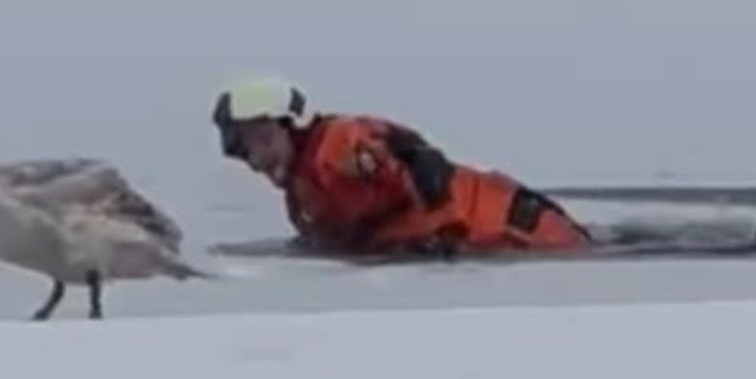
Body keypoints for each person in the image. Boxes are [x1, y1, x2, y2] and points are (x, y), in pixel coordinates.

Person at [211, 77, 591, 257]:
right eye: (245, 152)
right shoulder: (304, 191)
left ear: (289, 126)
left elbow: (385, 171)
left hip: (520, 229)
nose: (258, 160)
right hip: (493, 236)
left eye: (261, 140)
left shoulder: (341, 145)